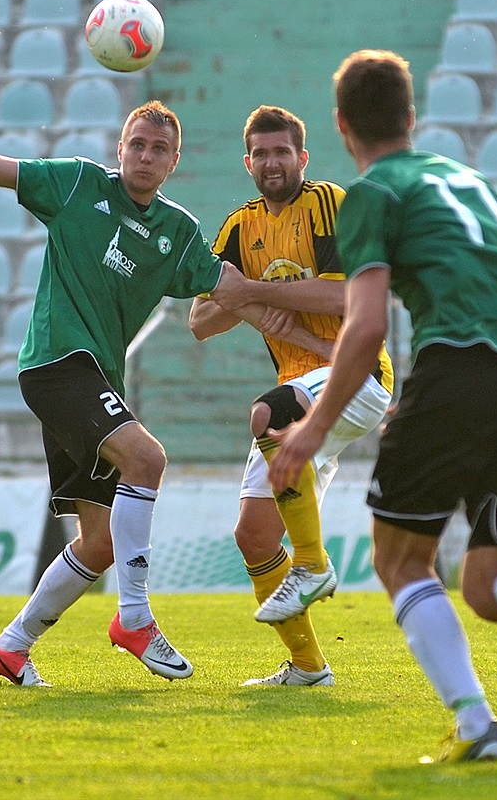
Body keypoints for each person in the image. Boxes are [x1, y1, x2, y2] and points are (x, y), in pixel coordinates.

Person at [0, 96, 246, 686]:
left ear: (174, 163)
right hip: (56, 364)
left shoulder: (179, 231)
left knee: (99, 543)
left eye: (159, 149)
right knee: (148, 458)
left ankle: (12, 646)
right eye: (137, 144)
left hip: (95, 380)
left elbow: (232, 289)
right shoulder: (77, 185)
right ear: (120, 150)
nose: (146, 156)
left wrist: (307, 303)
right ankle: (136, 618)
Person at [268, 50, 497, 762]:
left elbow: (366, 327)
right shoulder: (474, 181)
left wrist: (309, 431)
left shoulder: (372, 195)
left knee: (399, 558)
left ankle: (477, 726)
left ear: (341, 125)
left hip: (460, 366)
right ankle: (478, 728)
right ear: (411, 116)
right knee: (486, 584)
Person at [189, 105, 393, 686]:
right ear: (247, 161)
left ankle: (312, 563)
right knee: (252, 535)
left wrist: (253, 294)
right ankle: (308, 668)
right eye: (262, 153)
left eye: (283, 152)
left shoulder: (331, 203)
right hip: (302, 387)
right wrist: (270, 316)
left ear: (302, 157)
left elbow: (345, 299)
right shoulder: (237, 227)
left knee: (266, 411)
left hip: (359, 378)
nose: (272, 162)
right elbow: (201, 318)